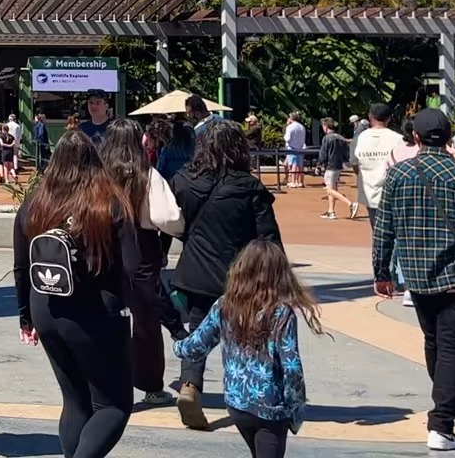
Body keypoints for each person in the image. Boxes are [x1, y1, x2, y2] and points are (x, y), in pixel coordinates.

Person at [372, 108, 455, 451]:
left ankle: (446, 405)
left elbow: (384, 229)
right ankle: (443, 422)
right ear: (450, 138)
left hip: (417, 276)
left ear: (415, 137)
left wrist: (381, 272)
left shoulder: (398, 175)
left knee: (433, 342)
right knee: (451, 347)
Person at [15, 132, 152, 458]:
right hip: (96, 312)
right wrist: (145, 310)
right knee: (113, 405)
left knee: (75, 400)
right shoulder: (110, 203)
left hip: (45, 307)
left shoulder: (35, 203)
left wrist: (25, 317)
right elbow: (134, 269)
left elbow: (21, 266)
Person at [168, 121, 280, 430]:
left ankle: (190, 385)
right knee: (247, 338)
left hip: (195, 271)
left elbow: (166, 220)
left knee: (197, 330)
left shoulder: (183, 180)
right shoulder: (248, 186)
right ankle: (248, 396)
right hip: (240, 276)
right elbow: (268, 238)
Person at [173, 240, 321, 458]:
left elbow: (196, 347)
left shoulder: (225, 305)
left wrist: (176, 343)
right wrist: (296, 411)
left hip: (237, 404)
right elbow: (292, 367)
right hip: (271, 409)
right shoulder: (281, 312)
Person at [99, 119, 183, 408]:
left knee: (104, 319)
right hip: (140, 251)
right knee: (146, 322)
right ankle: (150, 385)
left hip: (101, 253)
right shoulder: (146, 174)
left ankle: (105, 383)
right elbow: (168, 218)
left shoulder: (97, 175)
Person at [350, 103, 404, 222]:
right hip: (393, 193)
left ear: (370, 117)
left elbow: (354, 163)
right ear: (389, 118)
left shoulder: (360, 138)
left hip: (370, 192)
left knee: (376, 230)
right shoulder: (398, 139)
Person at [317, 118, 354, 220]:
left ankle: (350, 203)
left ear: (326, 126)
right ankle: (331, 211)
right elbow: (346, 151)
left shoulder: (327, 138)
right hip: (338, 165)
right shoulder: (340, 137)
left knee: (329, 189)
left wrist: (319, 164)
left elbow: (323, 153)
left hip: (330, 165)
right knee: (332, 187)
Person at [153, 114, 197, 183]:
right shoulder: (194, 148)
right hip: (190, 181)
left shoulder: (167, 149)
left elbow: (160, 169)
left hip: (171, 181)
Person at [282, 113, 306, 189]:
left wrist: (284, 137)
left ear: (291, 118)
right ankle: (301, 182)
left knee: (293, 165)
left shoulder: (290, 127)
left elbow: (288, 138)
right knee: (300, 165)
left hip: (292, 148)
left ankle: (293, 181)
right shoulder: (302, 127)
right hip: (300, 147)